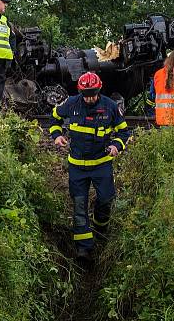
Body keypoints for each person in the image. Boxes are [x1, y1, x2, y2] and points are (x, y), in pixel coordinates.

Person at [49, 72, 130, 260]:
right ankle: (84, 248)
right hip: (77, 167)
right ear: (80, 92)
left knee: (105, 200)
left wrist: (116, 145)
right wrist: (57, 135)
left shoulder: (110, 106)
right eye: (86, 94)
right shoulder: (71, 103)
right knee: (79, 206)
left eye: (93, 94)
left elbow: (124, 132)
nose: (90, 98)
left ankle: (101, 231)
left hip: (101, 165)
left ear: (99, 90)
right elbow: (54, 119)